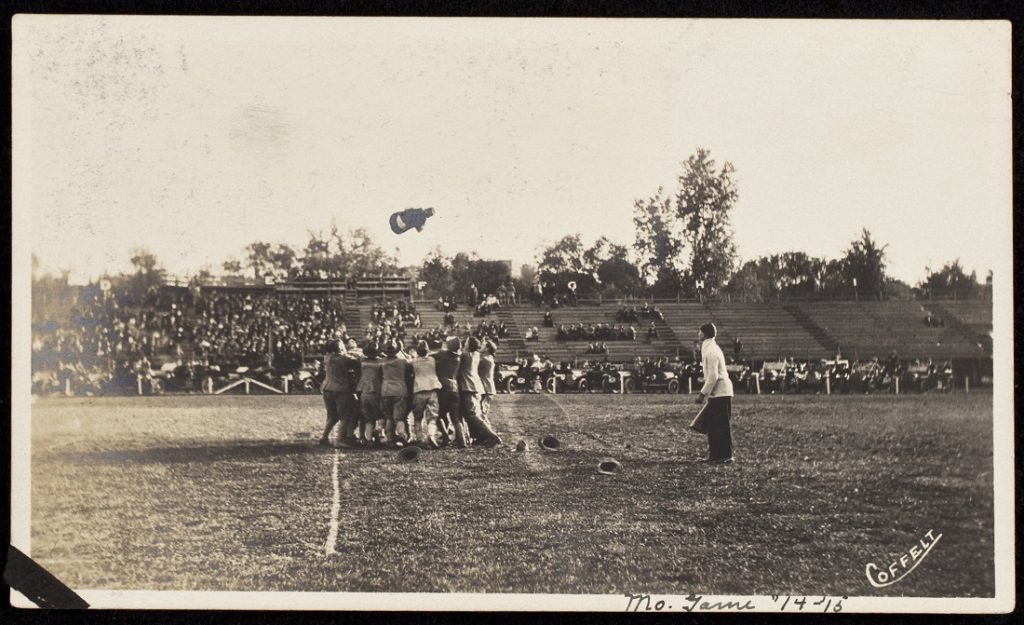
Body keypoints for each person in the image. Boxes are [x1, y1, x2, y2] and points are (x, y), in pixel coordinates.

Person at [690, 323, 735, 463]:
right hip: (720, 391)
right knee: (715, 425)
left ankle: (724, 456)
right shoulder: (711, 348)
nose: (698, 334)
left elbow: (714, 376)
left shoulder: (710, 351)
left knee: (719, 425)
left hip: (720, 392)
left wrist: (702, 393)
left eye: (699, 331)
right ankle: (717, 455)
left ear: (703, 334)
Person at [458, 336, 502, 447]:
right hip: (477, 387)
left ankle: (492, 436)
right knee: (474, 414)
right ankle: (480, 437)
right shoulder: (477, 355)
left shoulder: (466, 356)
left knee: (474, 415)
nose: (464, 344)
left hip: (469, 387)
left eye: (466, 342)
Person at [318, 339, 360, 447]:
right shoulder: (344, 359)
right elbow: (358, 361)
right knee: (346, 415)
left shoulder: (327, 358)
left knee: (332, 416)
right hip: (340, 389)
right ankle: (340, 439)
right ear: (339, 348)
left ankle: (324, 437)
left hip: (327, 388)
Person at [380, 339, 412, 446]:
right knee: (399, 417)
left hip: (385, 390)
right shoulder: (403, 362)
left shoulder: (382, 362)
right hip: (400, 390)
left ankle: (390, 439)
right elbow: (410, 370)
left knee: (388, 417)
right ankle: (402, 435)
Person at [410, 340, 442, 448]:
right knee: (432, 416)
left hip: (418, 390)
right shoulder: (432, 360)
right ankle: (431, 435)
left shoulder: (413, 361)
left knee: (418, 417)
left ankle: (419, 437)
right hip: (432, 389)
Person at [433, 337, 464, 446]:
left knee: (439, 414)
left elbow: (428, 355)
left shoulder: (442, 354)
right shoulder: (459, 357)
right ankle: (462, 439)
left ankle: (445, 436)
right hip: (455, 388)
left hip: (443, 388)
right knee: (455, 416)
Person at [355, 341, 384, 446]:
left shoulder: (362, 362)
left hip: (363, 390)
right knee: (381, 414)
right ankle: (379, 432)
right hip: (376, 390)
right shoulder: (381, 362)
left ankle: (368, 438)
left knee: (367, 417)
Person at [478, 340, 498, 424]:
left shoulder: (485, 360)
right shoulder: (489, 358)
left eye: (483, 345)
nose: (480, 346)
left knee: (482, 414)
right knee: (482, 413)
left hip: (486, 388)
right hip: (488, 388)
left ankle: (489, 433)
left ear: (487, 348)